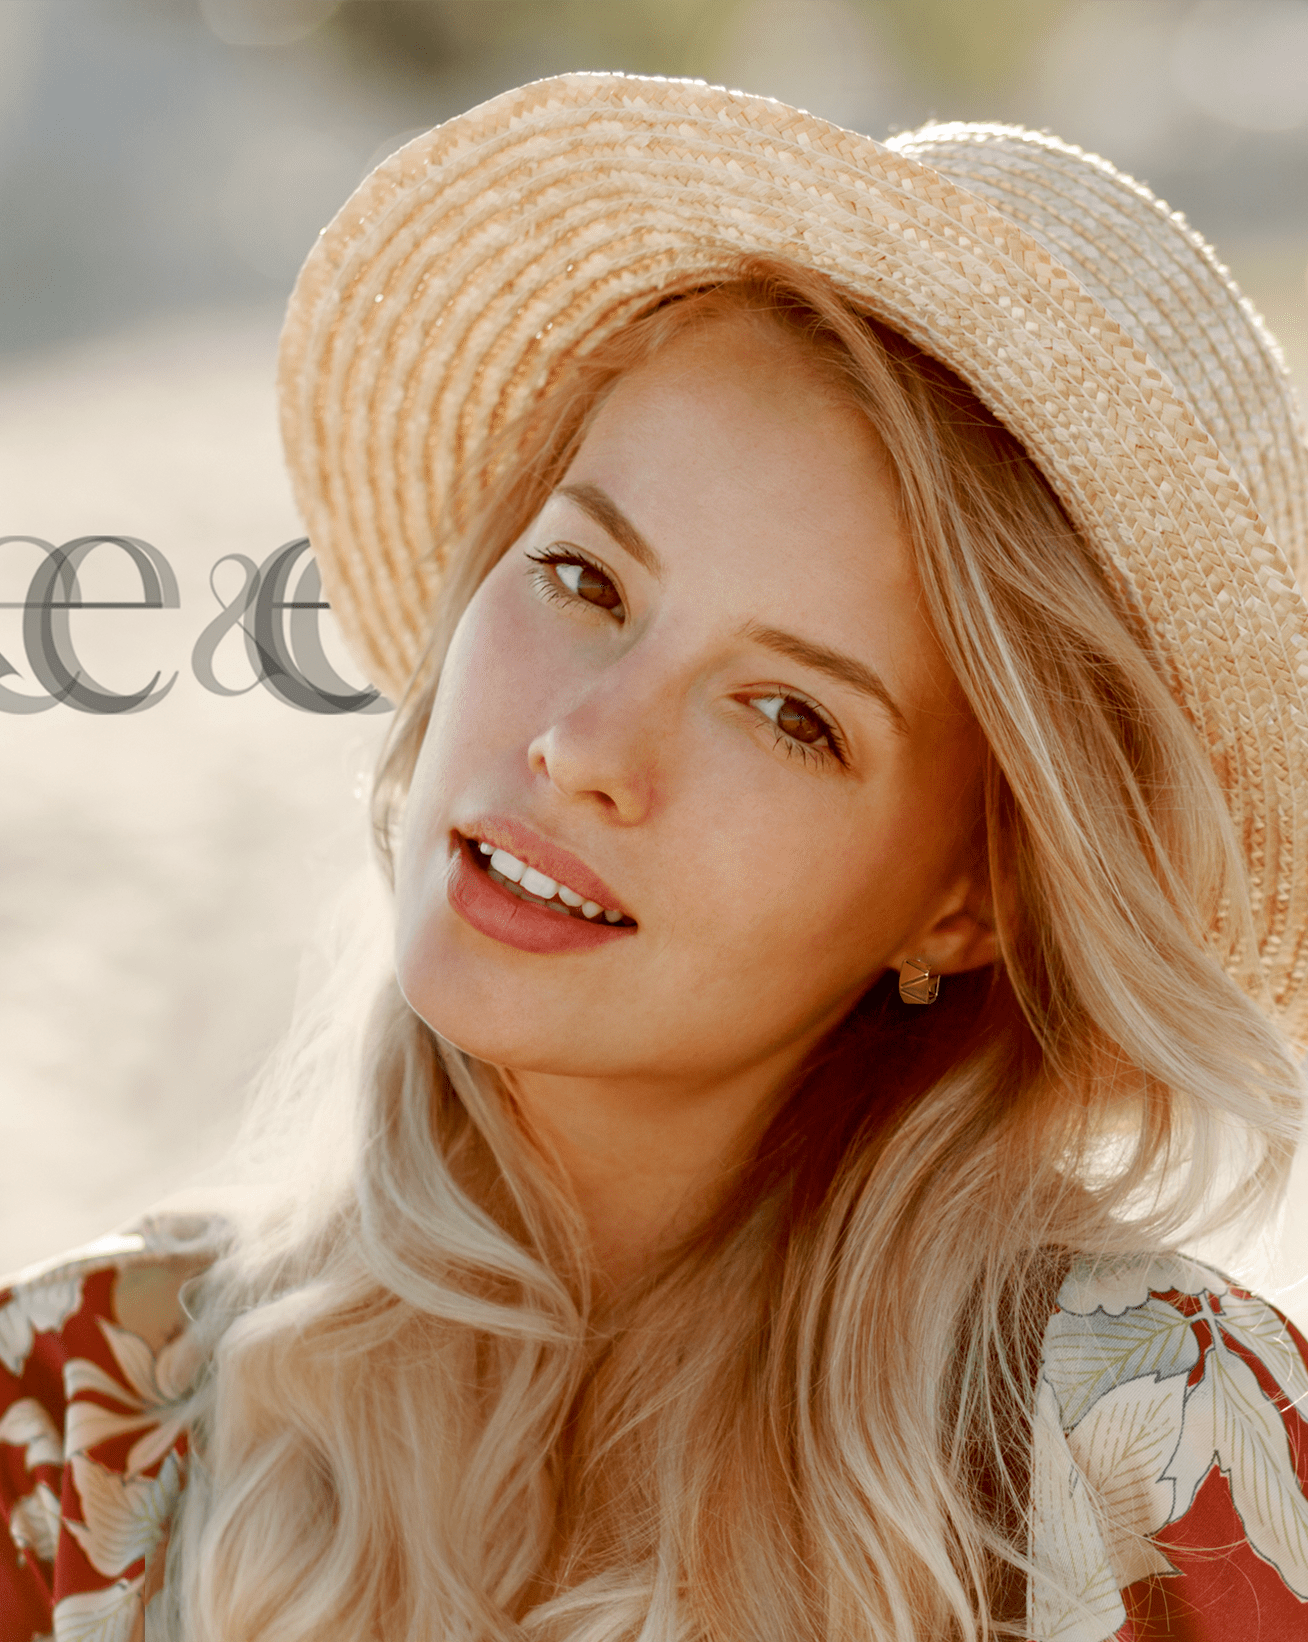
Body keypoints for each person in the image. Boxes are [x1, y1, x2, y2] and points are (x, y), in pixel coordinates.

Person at [3, 73, 1308, 1642]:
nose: (585, 747)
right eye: (581, 574)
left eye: (787, 713)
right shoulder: (76, 1427)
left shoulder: (1154, 1458)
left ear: (974, 898)